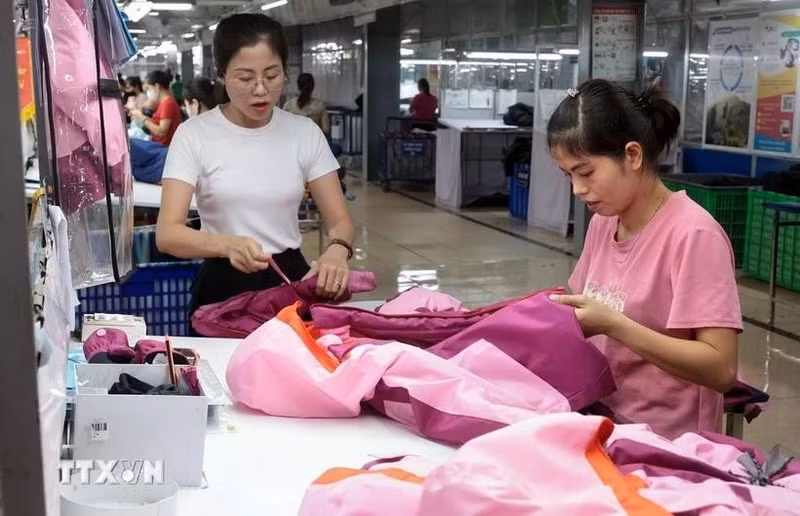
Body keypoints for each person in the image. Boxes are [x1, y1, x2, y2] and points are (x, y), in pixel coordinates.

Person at [546, 79, 741, 439]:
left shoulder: (693, 236)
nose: (577, 189)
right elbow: (579, 309)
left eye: (586, 172)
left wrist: (614, 325)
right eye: (568, 175)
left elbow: (720, 368)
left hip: (669, 444)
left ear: (632, 155)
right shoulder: (604, 224)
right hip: (604, 421)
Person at [156, 13, 354, 330]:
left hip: (288, 279)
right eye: (245, 78)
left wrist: (337, 251)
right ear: (221, 74)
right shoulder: (194, 135)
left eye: (272, 76)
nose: (260, 90)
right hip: (222, 287)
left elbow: (341, 221)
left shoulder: (304, 133)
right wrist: (225, 244)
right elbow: (168, 234)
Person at [129, 70, 183, 146]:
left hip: (162, 149)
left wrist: (142, 118)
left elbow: (161, 131)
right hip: (158, 145)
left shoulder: (168, 103)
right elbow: (157, 123)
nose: (148, 92)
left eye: (149, 89)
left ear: (157, 86)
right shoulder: (164, 102)